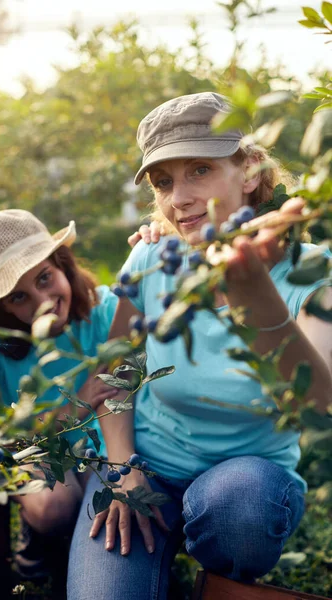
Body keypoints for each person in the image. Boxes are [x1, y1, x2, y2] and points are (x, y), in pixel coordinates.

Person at [67, 92, 332, 598]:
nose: (178, 198)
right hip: (143, 467)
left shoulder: (310, 268)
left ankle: (218, 566)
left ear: (250, 170)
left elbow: (318, 404)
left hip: (244, 480)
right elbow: (118, 371)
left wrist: (254, 296)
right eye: (164, 182)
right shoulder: (153, 260)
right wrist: (123, 469)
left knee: (241, 507)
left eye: (200, 170)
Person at [0, 209, 120, 576]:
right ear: (2, 305)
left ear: (62, 264)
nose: (42, 302)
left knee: (99, 500)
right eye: (18, 297)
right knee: (53, 507)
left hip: (103, 445)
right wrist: (68, 413)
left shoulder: (105, 312)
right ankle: (40, 533)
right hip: (34, 447)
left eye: (45, 278)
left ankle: (83, 560)